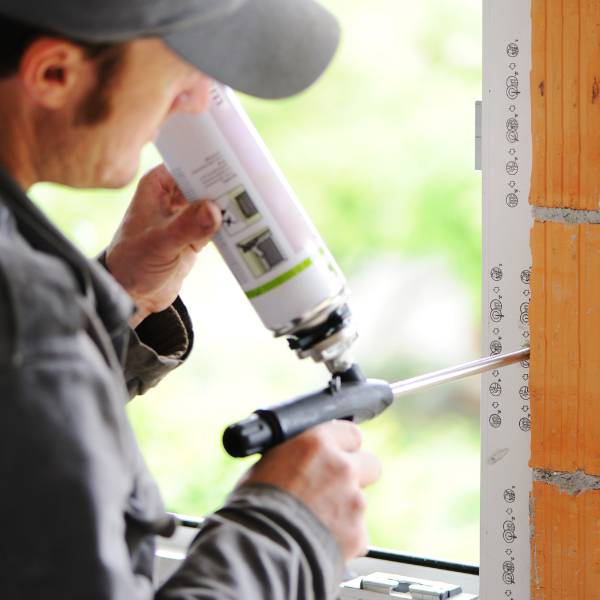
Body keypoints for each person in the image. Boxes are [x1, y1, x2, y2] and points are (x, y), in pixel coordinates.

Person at [0, 1, 382, 598]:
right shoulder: (26, 318)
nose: (198, 100)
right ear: (55, 73)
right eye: (183, 65)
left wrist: (118, 301)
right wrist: (286, 528)